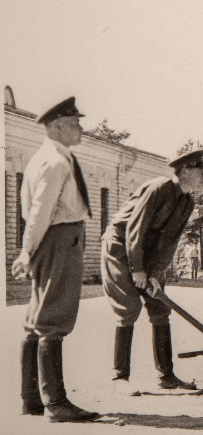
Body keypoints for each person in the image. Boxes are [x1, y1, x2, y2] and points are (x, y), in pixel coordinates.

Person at [11, 96, 101, 422]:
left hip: (54, 240)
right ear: (58, 125)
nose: (81, 128)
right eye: (76, 122)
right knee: (54, 318)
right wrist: (26, 250)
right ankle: (56, 403)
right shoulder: (56, 162)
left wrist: (30, 250)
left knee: (38, 317)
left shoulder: (45, 158)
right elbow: (39, 213)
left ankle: (31, 399)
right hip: (59, 240)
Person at [101, 149, 203, 392]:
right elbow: (135, 230)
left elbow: (170, 242)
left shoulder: (187, 202)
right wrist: (138, 269)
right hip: (119, 245)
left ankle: (166, 376)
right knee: (129, 307)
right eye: (201, 170)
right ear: (186, 170)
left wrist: (156, 272)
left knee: (160, 305)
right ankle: (120, 378)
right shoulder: (159, 188)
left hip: (145, 253)